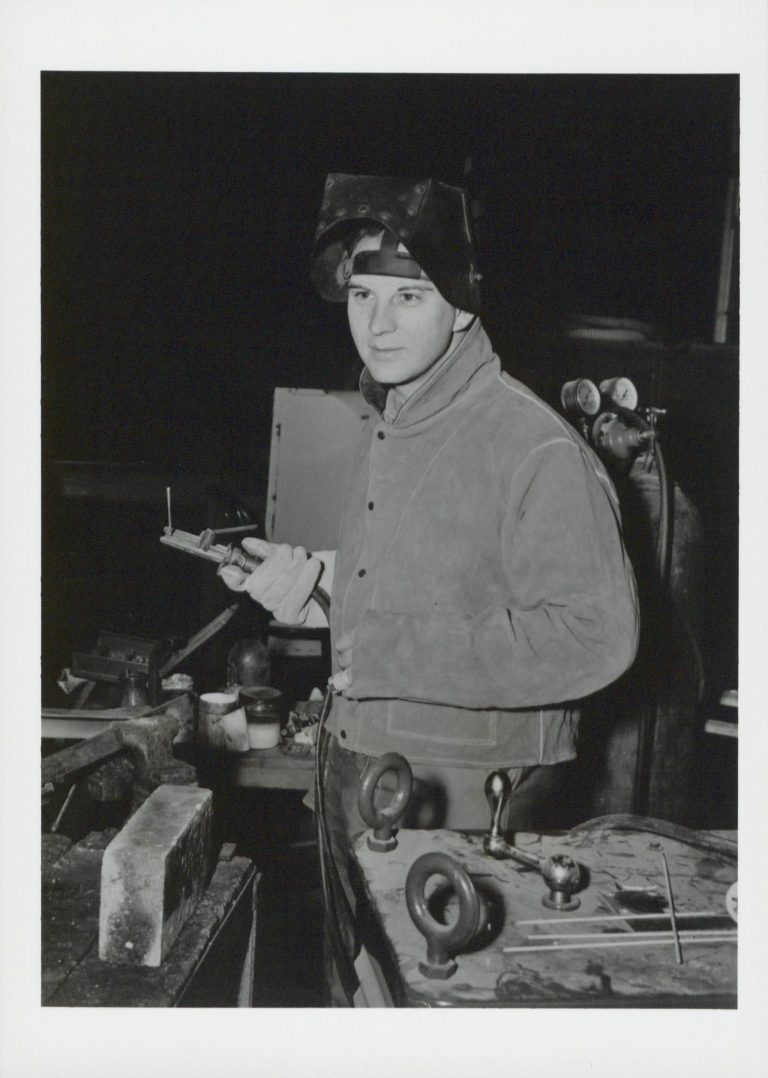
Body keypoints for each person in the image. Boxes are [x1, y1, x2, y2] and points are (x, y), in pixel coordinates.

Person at [220, 173, 639, 999]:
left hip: (461, 820)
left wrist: (379, 646)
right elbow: (434, 588)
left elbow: (598, 634)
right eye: (362, 292)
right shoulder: (399, 419)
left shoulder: (533, 447)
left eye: (409, 296)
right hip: (362, 792)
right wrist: (316, 593)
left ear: (463, 305)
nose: (376, 322)